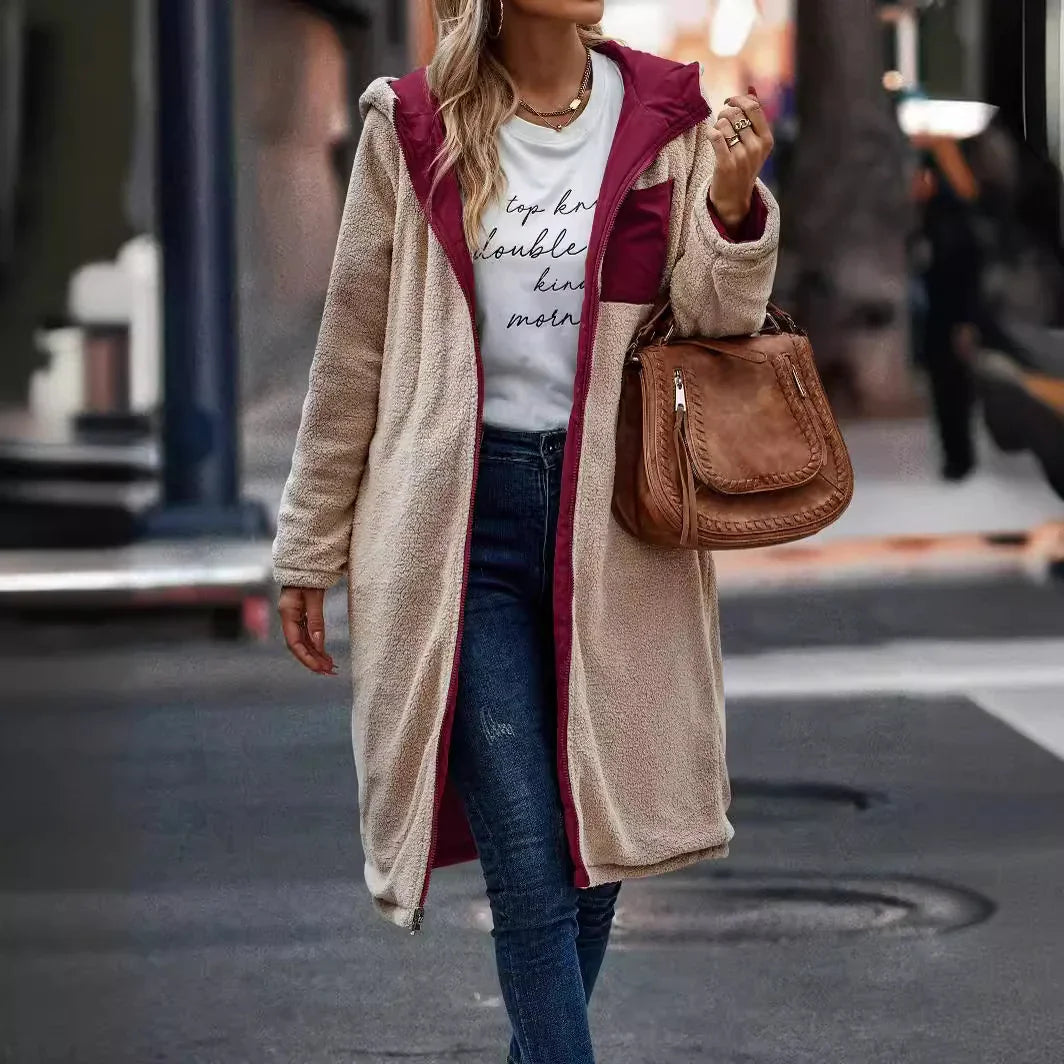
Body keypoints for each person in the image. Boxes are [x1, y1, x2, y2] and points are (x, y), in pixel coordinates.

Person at [272, 2, 778, 1060]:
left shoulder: (664, 115)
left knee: (596, 859)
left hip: (616, 528)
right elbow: (352, 347)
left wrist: (731, 205)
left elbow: (713, 322)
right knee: (532, 868)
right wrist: (309, 541)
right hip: (456, 534)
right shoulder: (410, 125)